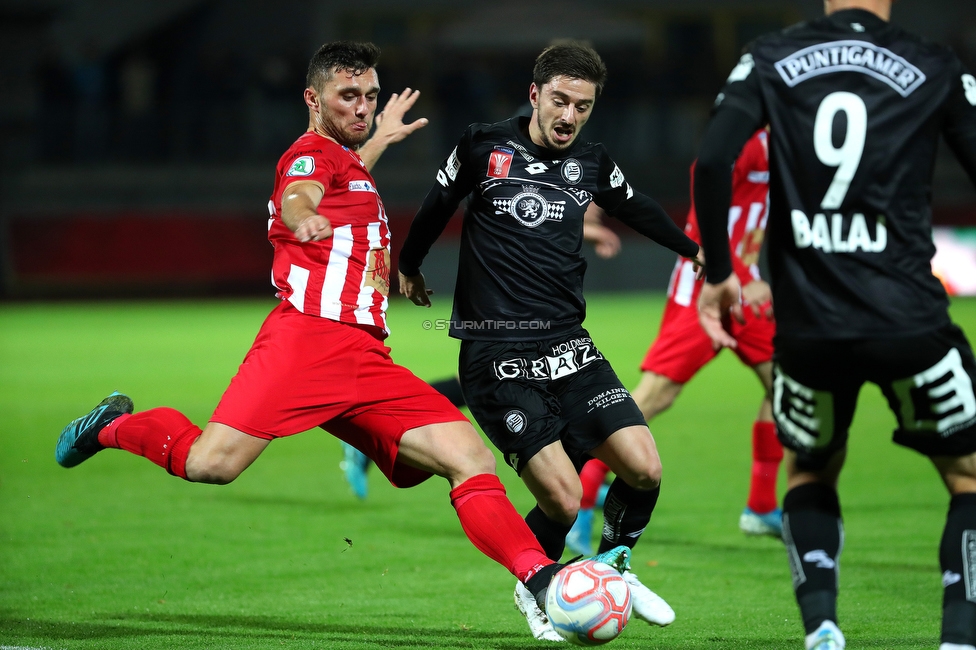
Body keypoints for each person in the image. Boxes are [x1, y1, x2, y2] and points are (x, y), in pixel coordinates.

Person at [54, 40, 628, 619]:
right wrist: (301, 216)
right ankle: (113, 426)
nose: (362, 107)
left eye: (370, 97)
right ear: (313, 98)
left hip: (364, 355)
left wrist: (378, 141)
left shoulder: (347, 162)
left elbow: (341, 179)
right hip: (305, 342)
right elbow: (300, 189)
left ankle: (543, 581)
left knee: (469, 457)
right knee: (212, 464)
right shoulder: (308, 157)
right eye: (348, 96)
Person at [397, 41, 703, 641]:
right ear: (534, 94)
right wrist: (409, 265)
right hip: (497, 357)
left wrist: (695, 251)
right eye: (559, 101)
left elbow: (634, 206)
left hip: (570, 346)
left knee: (644, 467)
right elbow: (436, 205)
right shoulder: (483, 144)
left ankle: (613, 568)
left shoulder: (590, 161)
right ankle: (535, 585)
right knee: (563, 501)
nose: (569, 117)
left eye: (582, 107)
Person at [694, 2, 976, 649]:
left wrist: (719, 271)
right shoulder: (932, 62)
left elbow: (711, 160)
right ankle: (959, 638)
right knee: (966, 476)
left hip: (809, 325)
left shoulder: (768, 57)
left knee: (812, 471)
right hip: (907, 316)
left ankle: (822, 625)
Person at [568, 129, 781, 555]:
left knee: (789, 385)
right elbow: (705, 212)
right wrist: (731, 270)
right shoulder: (740, 140)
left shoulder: (793, 140)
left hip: (746, 287)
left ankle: (761, 504)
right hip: (705, 286)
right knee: (654, 397)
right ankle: (582, 500)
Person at [345, 206, 620, 501]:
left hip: (526, 318)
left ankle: (584, 481)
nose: (599, 207)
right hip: (502, 314)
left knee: (501, 388)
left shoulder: (552, 197)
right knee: (522, 387)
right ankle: (587, 483)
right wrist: (587, 230)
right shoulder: (542, 192)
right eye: (594, 200)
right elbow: (529, 221)